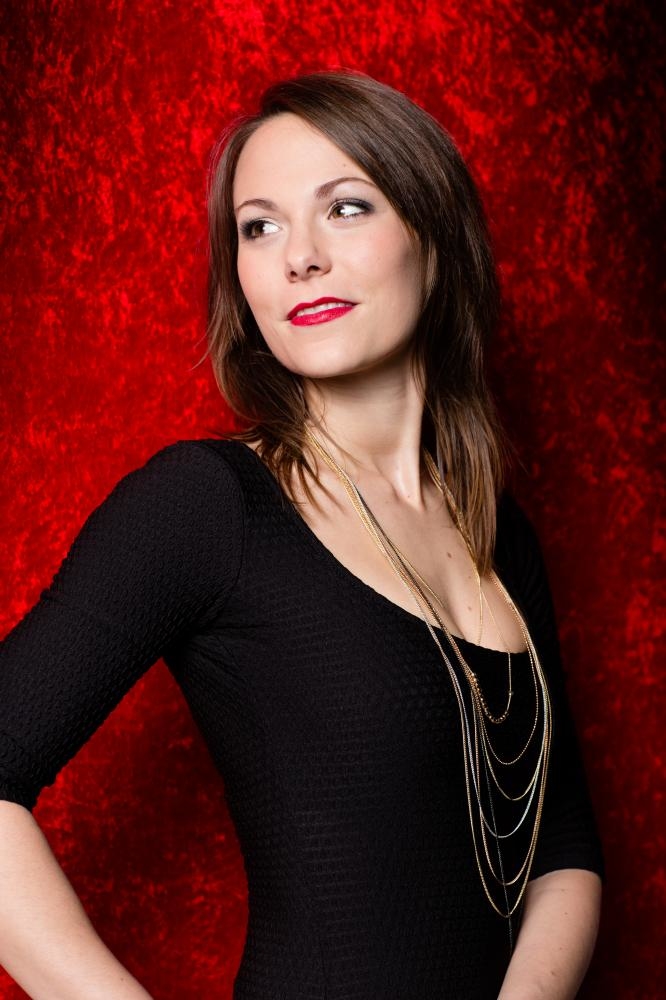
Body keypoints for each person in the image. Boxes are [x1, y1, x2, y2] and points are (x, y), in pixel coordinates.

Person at [0, 71, 603, 999]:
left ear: (435, 238)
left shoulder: (498, 527)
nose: (299, 258)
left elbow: (562, 845)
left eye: (346, 208)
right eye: (260, 227)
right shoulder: (207, 505)